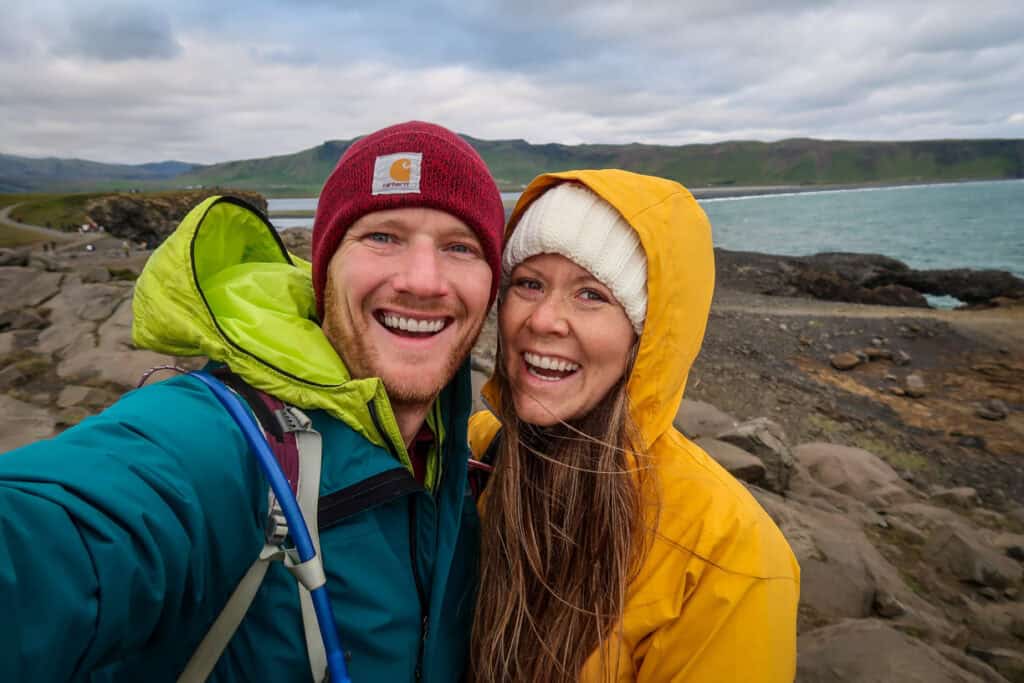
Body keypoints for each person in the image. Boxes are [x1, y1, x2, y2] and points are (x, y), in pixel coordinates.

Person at [0, 121, 505, 682]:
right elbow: (60, 537)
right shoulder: (220, 442)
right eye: (382, 237)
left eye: (460, 247)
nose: (423, 280)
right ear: (323, 268)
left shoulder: (460, 468)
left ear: (491, 284)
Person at [468, 170, 800, 682]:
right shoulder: (476, 455)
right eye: (528, 284)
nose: (544, 320)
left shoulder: (727, 554)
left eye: (591, 295)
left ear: (647, 335)